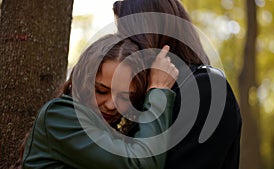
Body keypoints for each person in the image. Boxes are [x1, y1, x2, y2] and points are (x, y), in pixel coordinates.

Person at [113, 0, 242, 169]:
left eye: (123, 36)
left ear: (146, 36)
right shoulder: (144, 96)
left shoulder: (207, 88)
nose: (120, 47)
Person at [20, 34, 179, 169]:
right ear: (83, 82)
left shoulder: (110, 130)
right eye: (101, 90)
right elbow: (142, 164)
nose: (111, 105)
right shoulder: (59, 117)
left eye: (124, 97)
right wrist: (159, 91)